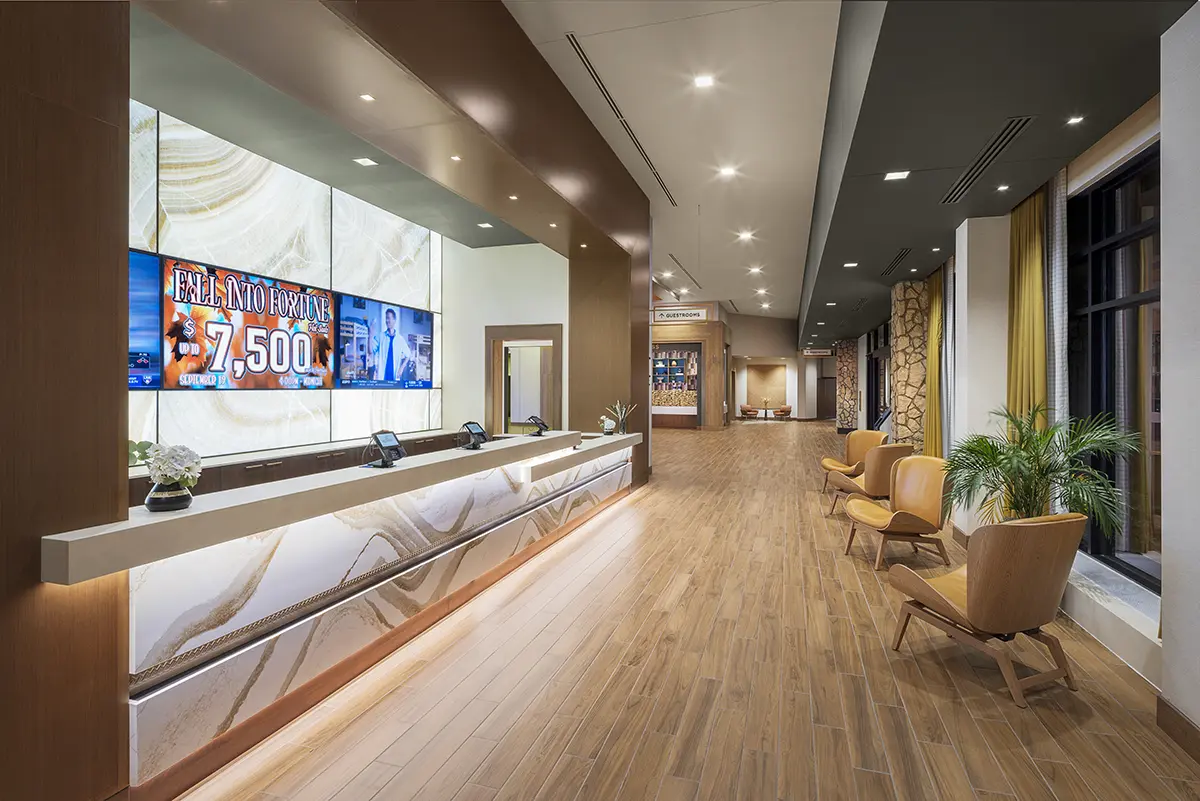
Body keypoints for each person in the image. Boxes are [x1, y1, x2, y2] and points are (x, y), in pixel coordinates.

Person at [373, 306, 413, 382]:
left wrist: (401, 368)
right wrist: (370, 334)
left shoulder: (400, 339)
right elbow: (372, 350)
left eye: (389, 318)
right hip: (382, 376)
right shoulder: (381, 336)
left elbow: (408, 354)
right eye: (386, 318)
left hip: (394, 376)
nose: (387, 320)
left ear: (394, 320)